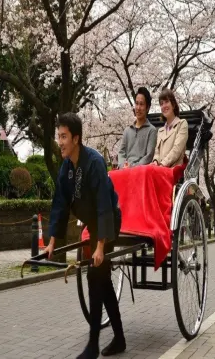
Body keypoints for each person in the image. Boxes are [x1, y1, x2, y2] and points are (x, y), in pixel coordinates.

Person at [45, 112, 126, 359]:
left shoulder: (94, 162)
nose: (60, 142)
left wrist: (100, 246)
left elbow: (103, 205)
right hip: (93, 225)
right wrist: (52, 243)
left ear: (76, 138)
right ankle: (120, 338)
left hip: (108, 223)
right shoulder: (66, 167)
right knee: (103, 280)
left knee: (94, 276)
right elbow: (60, 204)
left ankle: (92, 344)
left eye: (64, 137)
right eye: (58, 136)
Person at [118, 87, 158, 169]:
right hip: (124, 170)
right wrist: (123, 166)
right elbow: (121, 152)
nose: (138, 108)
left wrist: (133, 167)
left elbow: (149, 156)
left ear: (148, 107)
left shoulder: (152, 131)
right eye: (136, 103)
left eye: (141, 104)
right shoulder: (127, 131)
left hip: (140, 172)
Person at [152, 89, 189, 168]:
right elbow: (157, 152)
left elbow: (177, 149)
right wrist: (155, 161)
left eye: (166, 102)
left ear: (173, 104)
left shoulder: (182, 124)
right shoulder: (160, 131)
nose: (164, 106)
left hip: (173, 169)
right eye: (161, 104)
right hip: (159, 169)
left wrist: (162, 164)